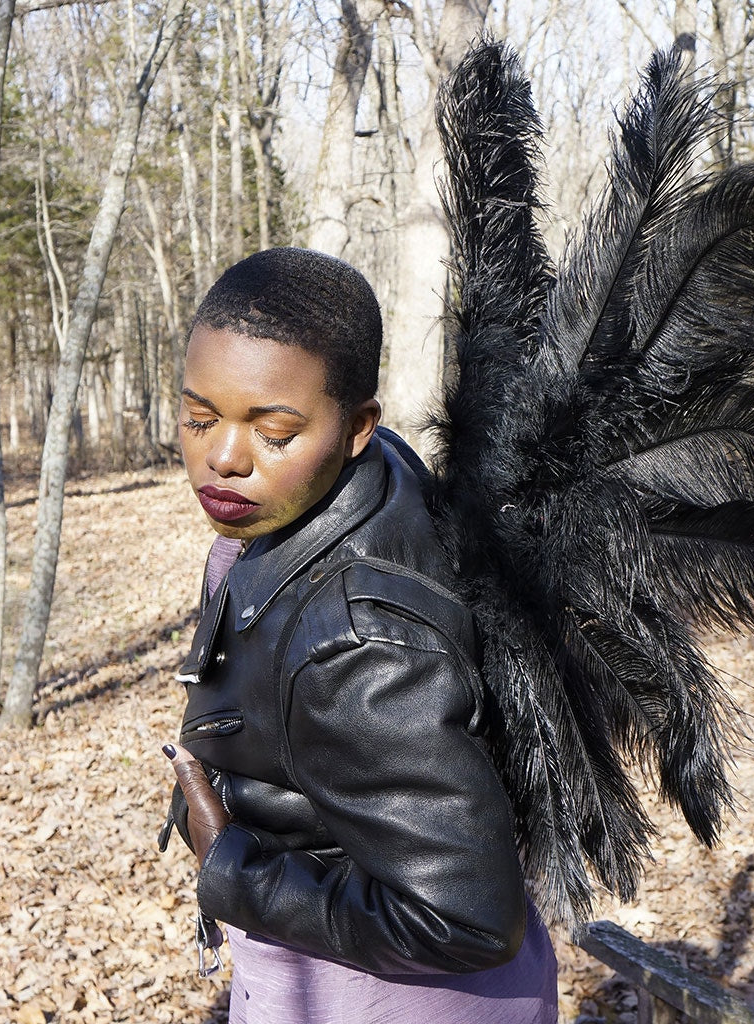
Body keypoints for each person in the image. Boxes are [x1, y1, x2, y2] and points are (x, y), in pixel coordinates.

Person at [159, 247, 559, 1024]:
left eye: (274, 432)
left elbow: (467, 918)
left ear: (356, 427)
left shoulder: (361, 642)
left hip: (383, 999)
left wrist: (229, 868)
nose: (224, 458)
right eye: (198, 417)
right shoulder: (341, 489)